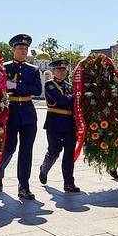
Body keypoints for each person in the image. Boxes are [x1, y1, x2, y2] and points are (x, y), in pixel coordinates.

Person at [0, 34, 42, 200]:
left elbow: (37, 90)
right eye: (20, 48)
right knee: (9, 148)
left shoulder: (33, 69)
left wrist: (16, 86)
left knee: (26, 150)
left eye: (25, 48)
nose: (23, 51)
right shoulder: (4, 68)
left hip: (28, 112)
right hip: (10, 112)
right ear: (13, 50)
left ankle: (24, 186)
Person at [38, 59, 80, 193]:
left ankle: (69, 183)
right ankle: (44, 169)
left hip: (69, 123)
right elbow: (62, 101)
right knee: (54, 151)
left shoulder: (68, 86)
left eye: (64, 70)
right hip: (55, 122)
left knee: (69, 153)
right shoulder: (50, 84)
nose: (62, 72)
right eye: (59, 70)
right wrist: (74, 96)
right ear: (53, 71)